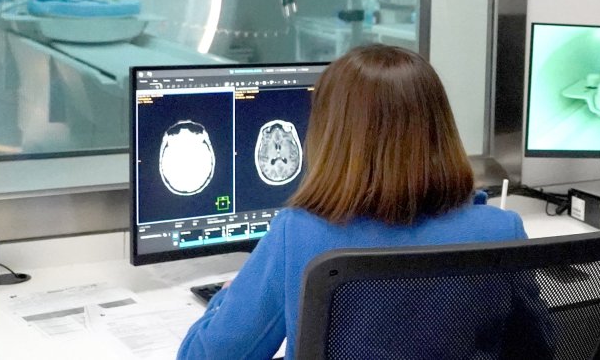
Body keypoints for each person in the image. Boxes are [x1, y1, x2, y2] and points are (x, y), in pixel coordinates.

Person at [178, 44, 548, 359]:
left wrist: (227, 298)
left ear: (330, 136)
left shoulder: (298, 235)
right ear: (440, 129)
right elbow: (539, 349)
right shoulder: (501, 231)